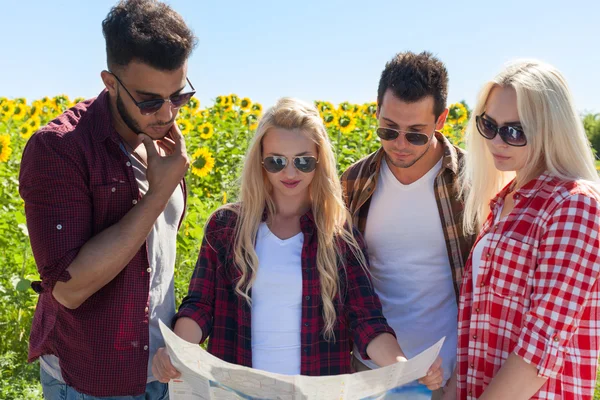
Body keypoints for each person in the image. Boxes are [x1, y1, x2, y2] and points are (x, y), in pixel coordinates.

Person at [152, 97, 443, 391]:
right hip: (236, 392)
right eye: (276, 161)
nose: (289, 173)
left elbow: (366, 321)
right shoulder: (226, 227)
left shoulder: (338, 235)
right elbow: (201, 306)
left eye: (303, 162)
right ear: (260, 162)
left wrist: (404, 368)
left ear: (320, 162)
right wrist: (177, 349)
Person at [18, 0, 196, 397]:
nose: (167, 114)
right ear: (110, 82)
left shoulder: (163, 146)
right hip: (92, 378)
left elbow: (157, 260)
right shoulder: (60, 149)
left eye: (179, 97)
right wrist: (157, 196)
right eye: (150, 101)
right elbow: (69, 288)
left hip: (161, 370)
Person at [456, 60, 600, 399]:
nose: (497, 141)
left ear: (550, 129)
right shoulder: (502, 202)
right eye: (488, 124)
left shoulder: (574, 205)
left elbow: (542, 344)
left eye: (515, 130)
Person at [340, 51, 474, 399]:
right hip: (366, 373)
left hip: (446, 377)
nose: (399, 144)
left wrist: (458, 383)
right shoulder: (353, 181)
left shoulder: (471, 182)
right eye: (388, 129)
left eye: (415, 134)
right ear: (376, 110)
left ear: (441, 119)